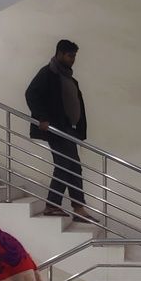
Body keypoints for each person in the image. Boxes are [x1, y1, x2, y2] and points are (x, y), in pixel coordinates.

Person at [25, 39, 94, 223]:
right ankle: (53, 205)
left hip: (68, 129)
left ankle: (78, 208)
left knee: (74, 167)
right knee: (64, 165)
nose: (73, 60)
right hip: (56, 128)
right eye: (70, 56)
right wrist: (42, 118)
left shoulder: (68, 77)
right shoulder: (48, 73)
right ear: (60, 54)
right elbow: (31, 94)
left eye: (74, 56)